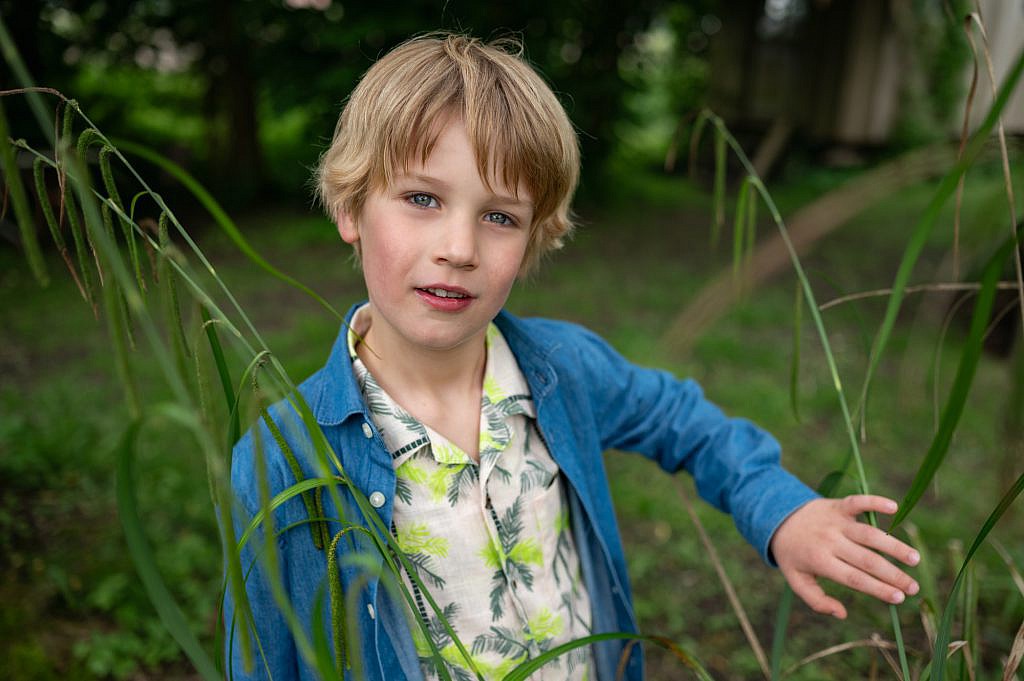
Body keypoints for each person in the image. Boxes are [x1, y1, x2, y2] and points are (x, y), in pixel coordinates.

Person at [224, 32, 920, 681]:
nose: (459, 247)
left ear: (531, 242)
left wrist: (779, 509)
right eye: (421, 199)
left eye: (499, 216)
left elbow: (684, 420)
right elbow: (263, 657)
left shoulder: (561, 371)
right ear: (351, 206)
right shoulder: (285, 456)